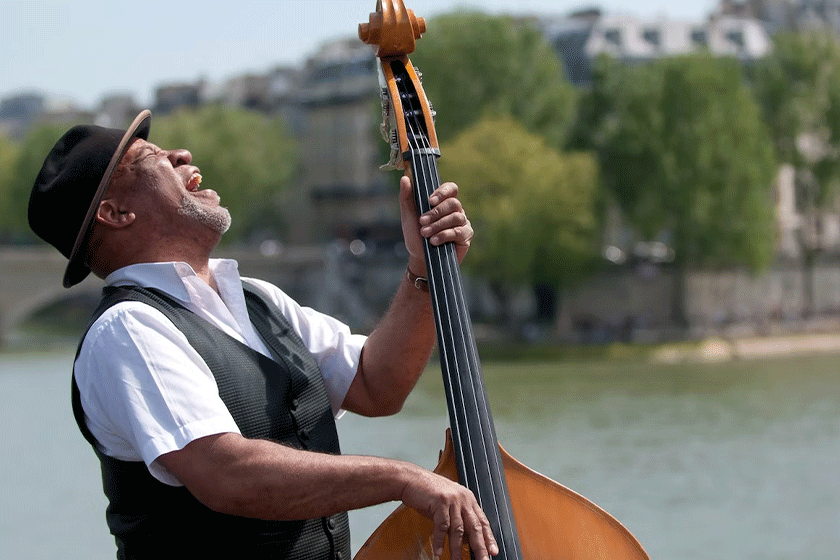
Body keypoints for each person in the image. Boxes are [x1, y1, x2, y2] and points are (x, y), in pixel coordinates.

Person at [28, 110, 499, 560]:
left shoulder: (256, 298)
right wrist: (401, 479)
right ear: (116, 213)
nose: (181, 154)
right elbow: (226, 473)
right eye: (153, 157)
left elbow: (376, 385)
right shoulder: (127, 330)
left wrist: (424, 268)